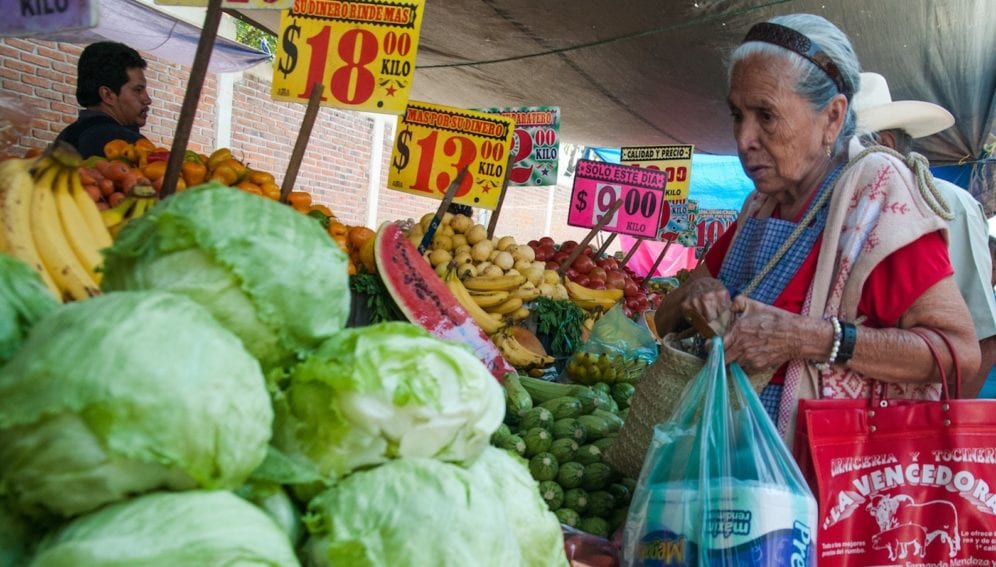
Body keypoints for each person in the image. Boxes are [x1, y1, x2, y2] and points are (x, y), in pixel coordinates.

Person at [653, 13, 980, 441]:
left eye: (766, 115)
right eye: (738, 115)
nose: (744, 138)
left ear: (832, 117)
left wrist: (809, 338)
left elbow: (959, 354)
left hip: (827, 484)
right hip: (734, 469)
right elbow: (663, 317)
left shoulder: (875, 199)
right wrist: (694, 295)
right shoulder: (760, 209)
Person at [852, 71, 996, 398]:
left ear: (885, 145)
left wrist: (941, 428)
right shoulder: (842, 209)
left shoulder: (948, 205)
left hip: (915, 419)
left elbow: (982, 337)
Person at [55, 41, 151, 158]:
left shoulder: (65, 137)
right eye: (138, 90)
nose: (147, 100)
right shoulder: (128, 144)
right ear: (108, 95)